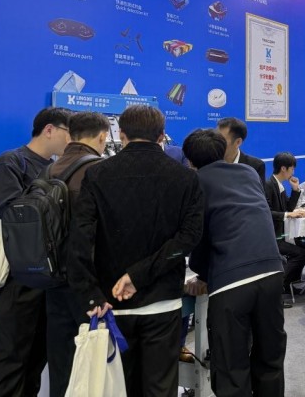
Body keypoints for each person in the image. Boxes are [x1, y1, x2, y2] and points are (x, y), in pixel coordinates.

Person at [67, 105, 204, 395]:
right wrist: (138, 275)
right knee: (160, 388)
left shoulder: (97, 175)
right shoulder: (186, 178)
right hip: (163, 302)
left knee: (117, 388)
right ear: (162, 136)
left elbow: (80, 240)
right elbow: (188, 239)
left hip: (111, 301)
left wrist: (91, 294)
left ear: (121, 134)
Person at [183, 129, 286, 397]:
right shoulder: (249, 173)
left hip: (231, 282)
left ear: (190, 161)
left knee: (231, 365)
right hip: (272, 271)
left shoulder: (195, 182)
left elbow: (198, 235)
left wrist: (202, 274)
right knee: (270, 356)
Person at [0, 107, 71, 397]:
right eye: (68, 132)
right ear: (49, 129)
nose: (71, 140)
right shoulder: (10, 163)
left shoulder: (56, 168)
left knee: (34, 365)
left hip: (47, 283)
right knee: (8, 362)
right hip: (15, 281)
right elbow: (8, 210)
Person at [45, 112, 108, 397]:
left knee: (61, 364)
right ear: (102, 136)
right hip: (88, 283)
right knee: (90, 366)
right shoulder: (99, 170)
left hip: (52, 277)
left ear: (71, 134)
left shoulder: (50, 169)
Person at [263, 152, 305, 303]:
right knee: (300, 253)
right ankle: (275, 290)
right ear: (283, 168)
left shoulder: (280, 185)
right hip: (272, 237)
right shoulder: (268, 185)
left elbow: (288, 207)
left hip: (282, 234)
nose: (293, 172)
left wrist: (295, 190)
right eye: (292, 168)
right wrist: (289, 214)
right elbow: (266, 212)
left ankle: (289, 283)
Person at [217, 117, 265, 181]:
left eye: (221, 140)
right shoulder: (209, 162)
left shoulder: (255, 166)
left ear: (238, 142)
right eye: (216, 138)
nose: (217, 143)